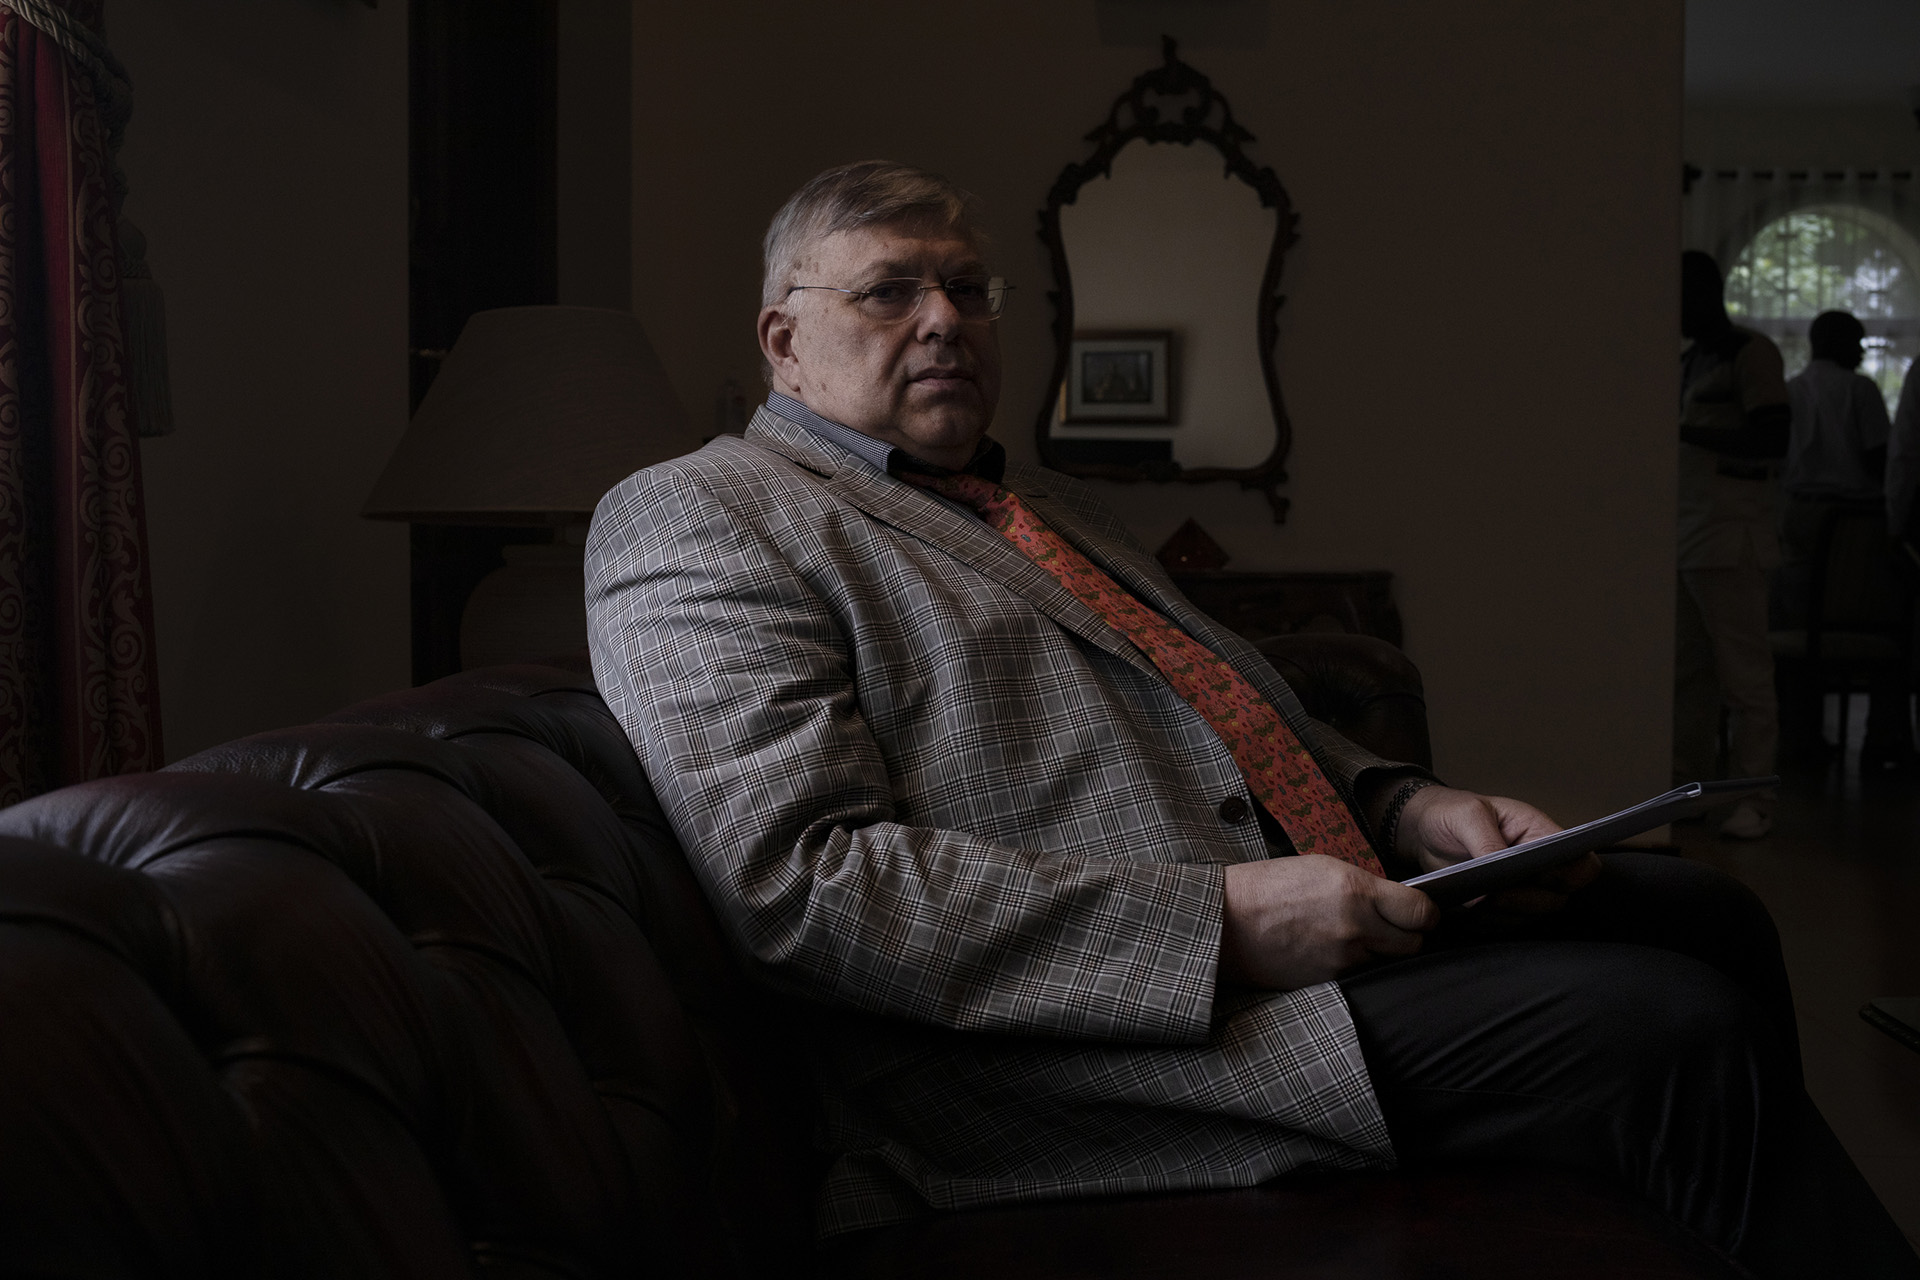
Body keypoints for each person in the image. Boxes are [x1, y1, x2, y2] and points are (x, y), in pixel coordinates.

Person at [586, 163, 1920, 1277]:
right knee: (1661, 1025)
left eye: (968, 289)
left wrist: (1407, 805)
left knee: (1707, 914)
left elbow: (1221, 702)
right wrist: (1224, 929)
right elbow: (806, 889)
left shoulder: (1040, 499)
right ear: (784, 340)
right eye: (891, 290)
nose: (947, 319)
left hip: (1324, 926)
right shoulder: (702, 513)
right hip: (1076, 1054)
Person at [1675, 250, 1789, 838]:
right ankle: (1687, 790)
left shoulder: (1751, 353)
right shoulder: (1690, 360)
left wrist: (1681, 431)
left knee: (1745, 677)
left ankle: (1755, 799)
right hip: (1687, 537)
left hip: (1731, 536)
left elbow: (1774, 435)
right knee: (1688, 678)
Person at [1779, 311, 1905, 764]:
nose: (1861, 350)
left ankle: (1800, 735)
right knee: (1883, 623)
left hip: (1796, 516)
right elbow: (1880, 459)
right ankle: (1885, 736)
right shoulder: (1860, 390)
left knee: (1801, 624)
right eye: (1857, 341)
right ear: (1838, 343)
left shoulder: (1790, 389)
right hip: (1856, 524)